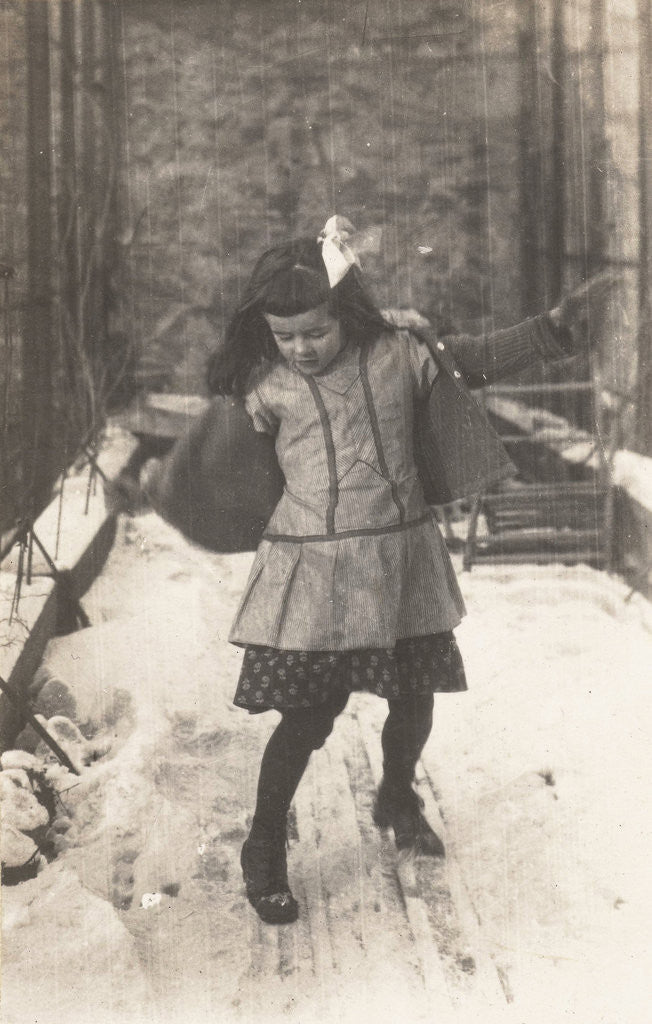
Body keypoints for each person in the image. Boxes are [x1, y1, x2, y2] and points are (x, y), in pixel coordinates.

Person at [206, 216, 612, 926]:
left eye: (316, 331)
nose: (301, 348)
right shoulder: (262, 385)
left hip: (401, 559)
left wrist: (550, 331)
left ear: (345, 312)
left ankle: (396, 794)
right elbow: (218, 463)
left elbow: (472, 361)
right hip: (315, 573)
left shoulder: (399, 353)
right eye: (286, 336)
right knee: (308, 716)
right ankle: (264, 843)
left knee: (415, 696)